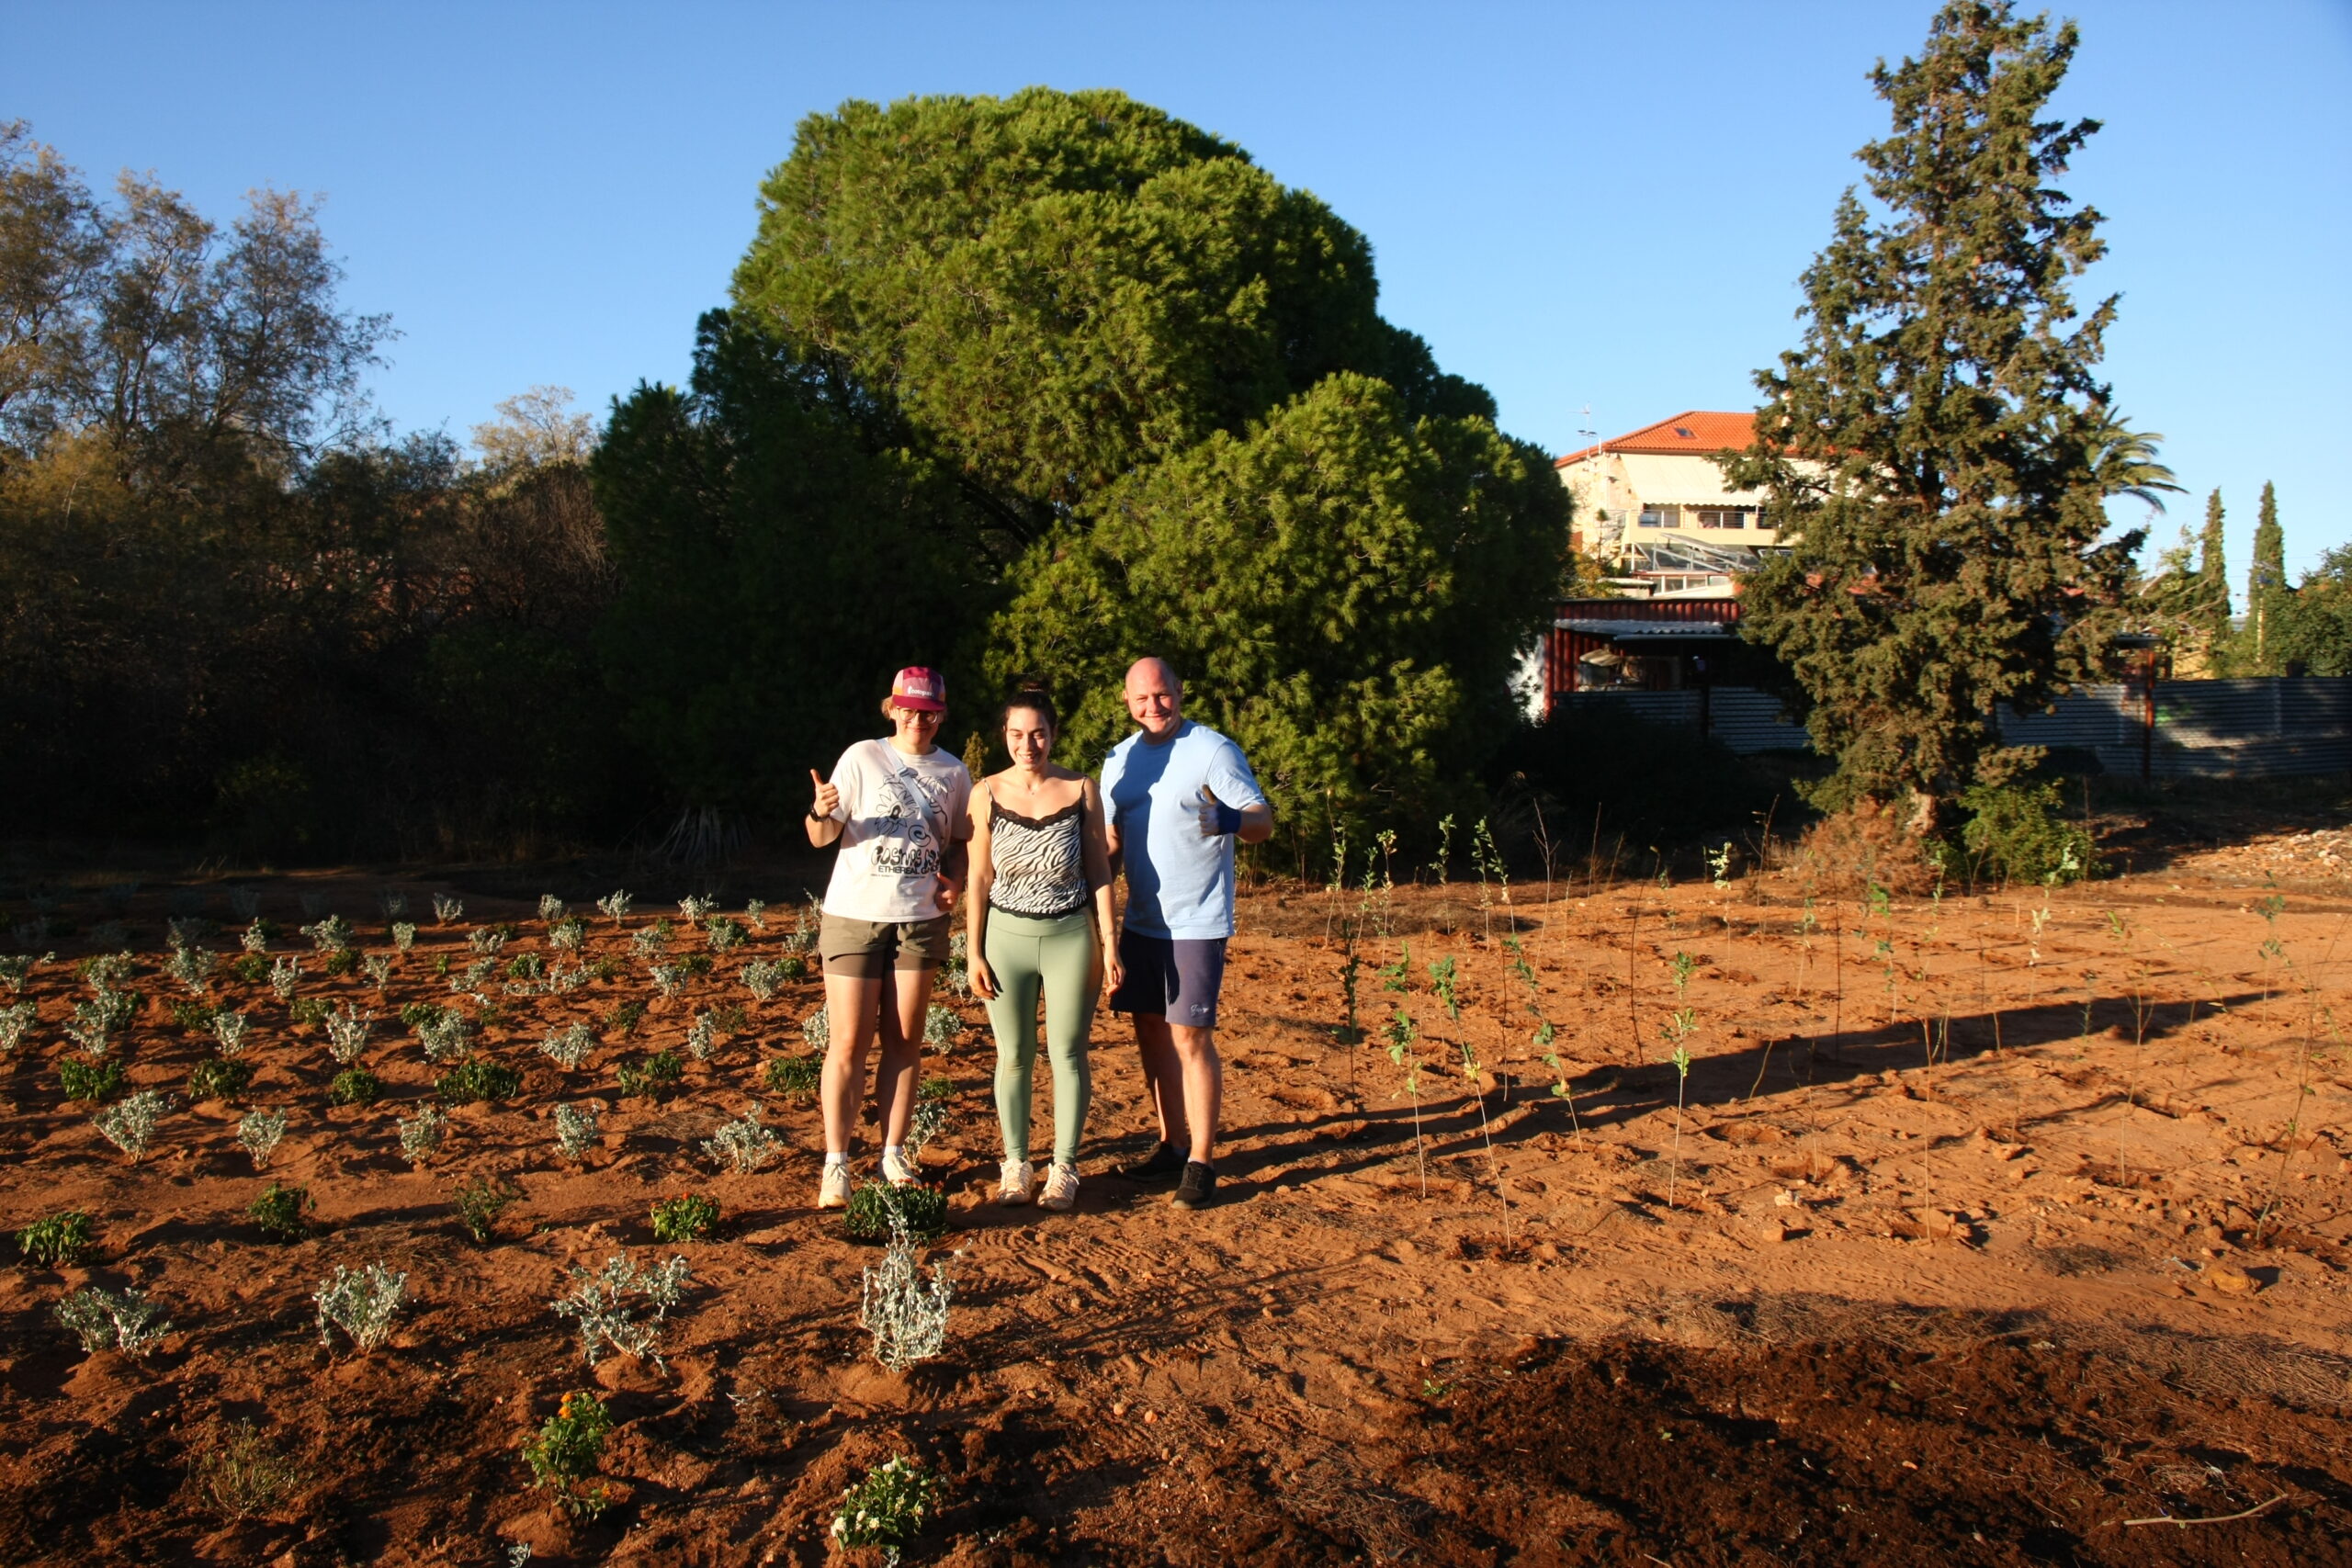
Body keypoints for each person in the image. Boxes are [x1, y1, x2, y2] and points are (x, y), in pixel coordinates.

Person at [1099, 657, 1272, 1210]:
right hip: (1142, 922)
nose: (1154, 707)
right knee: (1149, 1032)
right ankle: (1171, 1144)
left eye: (1163, 695)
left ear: (1179, 691)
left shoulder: (1212, 750)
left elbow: (1263, 821)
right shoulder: (1119, 762)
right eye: (1141, 699)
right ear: (1127, 702)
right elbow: (1109, 841)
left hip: (1196, 922)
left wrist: (1233, 821)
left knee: (1189, 1038)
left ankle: (1201, 1161)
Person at [805, 666, 972, 1209]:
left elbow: (961, 842)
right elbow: (821, 836)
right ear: (892, 709)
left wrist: (958, 882)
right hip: (855, 915)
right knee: (849, 1043)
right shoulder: (861, 757)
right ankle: (837, 1163)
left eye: (928, 711)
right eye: (909, 709)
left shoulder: (954, 772)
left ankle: (894, 1153)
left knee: (904, 1042)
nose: (917, 720)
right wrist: (820, 811)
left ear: (941, 714)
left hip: (920, 920)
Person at [965, 692, 1122, 1213]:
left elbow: (1099, 871)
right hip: (1004, 940)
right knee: (1013, 1056)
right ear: (1003, 736)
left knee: (1069, 1055)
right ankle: (1015, 1164)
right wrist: (974, 953)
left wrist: (1109, 942)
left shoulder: (1081, 788)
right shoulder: (985, 793)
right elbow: (979, 877)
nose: (1027, 744)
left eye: (1037, 733)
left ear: (1053, 733)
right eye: (1016, 734)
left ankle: (1064, 1168)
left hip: (1070, 938)